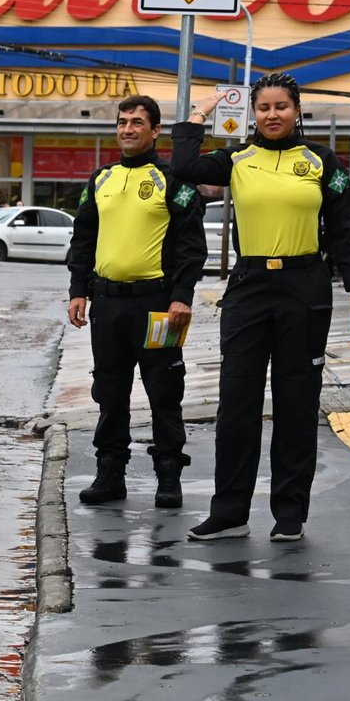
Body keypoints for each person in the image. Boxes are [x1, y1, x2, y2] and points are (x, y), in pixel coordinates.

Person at [174, 73, 350, 541]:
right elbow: (185, 167)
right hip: (249, 286)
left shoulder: (322, 161)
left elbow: (346, 227)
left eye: (281, 106)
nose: (271, 115)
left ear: (297, 110)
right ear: (253, 114)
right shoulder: (237, 159)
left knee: (296, 402)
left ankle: (289, 514)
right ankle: (229, 512)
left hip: (305, 287)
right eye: (263, 108)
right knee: (238, 402)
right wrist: (198, 115)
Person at [67, 95, 207, 508]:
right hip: (108, 306)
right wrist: (79, 289)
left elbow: (190, 247)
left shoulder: (174, 181)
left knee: (165, 393)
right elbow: (83, 238)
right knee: (109, 394)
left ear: (155, 130)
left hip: (159, 306)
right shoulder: (101, 179)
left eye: (137, 123)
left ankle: (169, 477)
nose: (127, 129)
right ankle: (110, 475)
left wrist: (182, 297)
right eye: (122, 122)